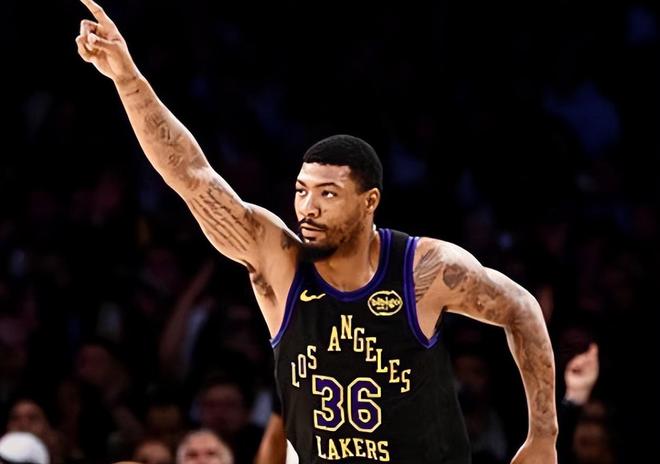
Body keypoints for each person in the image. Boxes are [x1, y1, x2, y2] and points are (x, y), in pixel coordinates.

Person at [75, 1, 558, 462]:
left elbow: (520, 307)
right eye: (301, 191)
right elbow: (193, 176)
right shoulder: (279, 261)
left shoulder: (423, 270)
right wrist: (128, 81)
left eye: (327, 193)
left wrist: (543, 435)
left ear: (369, 202)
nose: (308, 207)